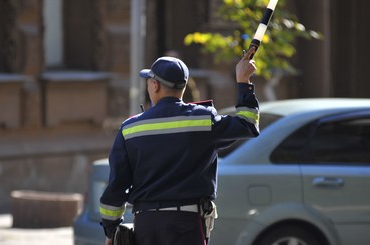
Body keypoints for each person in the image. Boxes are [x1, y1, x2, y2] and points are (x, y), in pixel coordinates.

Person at [99, 47, 260, 245]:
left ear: (155, 85)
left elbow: (116, 187)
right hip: (187, 225)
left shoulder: (130, 129)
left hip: (146, 227)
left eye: (148, 81)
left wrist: (110, 231)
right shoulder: (204, 120)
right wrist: (243, 81)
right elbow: (248, 124)